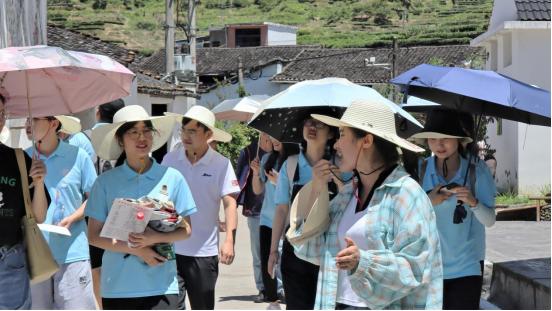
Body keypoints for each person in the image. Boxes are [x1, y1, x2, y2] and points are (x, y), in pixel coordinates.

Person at [290, 100, 443, 309]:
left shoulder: (406, 194)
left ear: (367, 141)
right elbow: (309, 249)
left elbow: (415, 268)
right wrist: (317, 187)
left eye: (342, 134)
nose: (335, 144)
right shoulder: (346, 195)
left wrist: (363, 263)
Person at [85, 105, 196, 310]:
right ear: (120, 140)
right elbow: (93, 236)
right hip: (117, 286)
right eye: (133, 132)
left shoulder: (172, 177)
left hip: (163, 286)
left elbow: (186, 230)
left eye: (146, 131)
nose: (141, 137)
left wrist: (152, 238)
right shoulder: (104, 182)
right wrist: (138, 249)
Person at [410, 109, 496, 310]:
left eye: (446, 138)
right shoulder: (421, 170)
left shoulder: (477, 171)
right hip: (428, 268)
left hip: (467, 268)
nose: (438, 144)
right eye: (432, 138)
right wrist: (428, 202)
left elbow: (490, 220)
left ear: (458, 139)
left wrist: (473, 202)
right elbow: (409, 219)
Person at [161, 106, 240, 310]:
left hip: (204, 253)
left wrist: (229, 240)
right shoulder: (170, 160)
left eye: (193, 131)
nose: (186, 136)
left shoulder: (221, 164)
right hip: (170, 250)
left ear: (208, 134)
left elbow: (230, 203)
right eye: (184, 130)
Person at [24, 115, 98, 310]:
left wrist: (73, 217)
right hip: (35, 254)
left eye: (34, 119)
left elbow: (95, 197)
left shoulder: (78, 156)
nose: (27, 124)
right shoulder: (24, 158)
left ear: (53, 123)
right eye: (26, 119)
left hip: (72, 252)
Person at [267, 111, 338, 310]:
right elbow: (281, 209)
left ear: (332, 134)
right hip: (295, 250)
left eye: (319, 124)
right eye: (308, 122)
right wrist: (273, 251)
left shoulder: (340, 167)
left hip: (329, 251)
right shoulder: (290, 166)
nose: (312, 127)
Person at [0, 91, 50, 309]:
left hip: (9, 260)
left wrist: (39, 183)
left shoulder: (18, 159)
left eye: (2, 113)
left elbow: (39, 217)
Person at [84, 99, 125, 309]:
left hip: (94, 212)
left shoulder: (85, 138)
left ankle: (102, 306)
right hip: (124, 211)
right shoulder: (127, 137)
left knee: (97, 266)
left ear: (98, 112)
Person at [251, 137, 299, 309]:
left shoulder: (296, 161)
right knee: (267, 264)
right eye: (271, 136)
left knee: (286, 264)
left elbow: (299, 193)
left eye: (278, 137)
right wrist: (256, 172)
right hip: (266, 219)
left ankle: (287, 295)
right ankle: (272, 300)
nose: (274, 139)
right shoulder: (266, 159)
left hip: (288, 221)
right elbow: (257, 190)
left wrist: (280, 182)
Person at [235, 131, 273, 303]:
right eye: (263, 132)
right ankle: (262, 288)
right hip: (256, 209)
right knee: (258, 253)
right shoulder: (250, 151)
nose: (267, 135)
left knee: (277, 251)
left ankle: (278, 288)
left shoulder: (282, 152)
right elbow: (239, 179)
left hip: (277, 210)